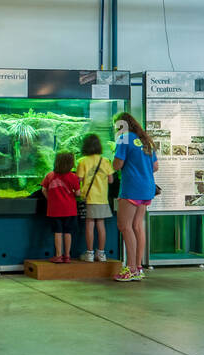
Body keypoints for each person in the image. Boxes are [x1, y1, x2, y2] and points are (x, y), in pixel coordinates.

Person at [111, 112, 158, 282]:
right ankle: (138, 267)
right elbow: (155, 166)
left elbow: (117, 165)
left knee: (124, 226)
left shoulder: (124, 138)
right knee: (137, 226)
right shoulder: (145, 139)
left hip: (132, 189)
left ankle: (130, 268)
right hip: (147, 188)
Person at [76, 133, 114, 261]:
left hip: (90, 198)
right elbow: (111, 180)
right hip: (102, 198)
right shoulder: (106, 161)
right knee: (101, 225)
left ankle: (90, 253)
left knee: (89, 225)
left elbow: (79, 179)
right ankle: (102, 253)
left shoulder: (82, 161)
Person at [41, 151, 80, 263]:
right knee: (68, 232)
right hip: (70, 209)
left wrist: (51, 199)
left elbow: (43, 189)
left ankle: (58, 256)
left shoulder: (50, 175)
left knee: (57, 232)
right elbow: (77, 193)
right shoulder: (73, 176)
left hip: (54, 209)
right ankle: (67, 256)